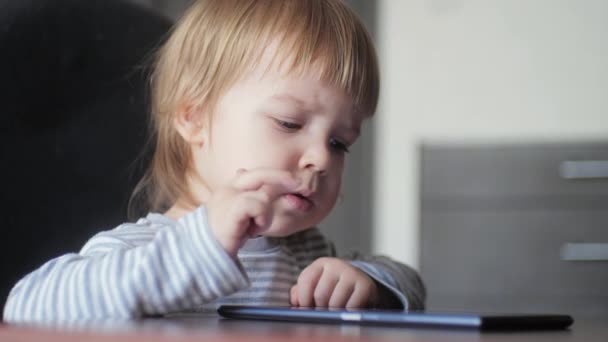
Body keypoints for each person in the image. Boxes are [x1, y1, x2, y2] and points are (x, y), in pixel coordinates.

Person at [3, 0, 425, 323]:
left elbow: (411, 284)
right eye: (288, 122)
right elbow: (28, 305)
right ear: (195, 118)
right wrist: (199, 250)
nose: (320, 159)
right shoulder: (146, 249)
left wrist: (369, 285)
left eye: (339, 142)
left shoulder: (307, 255)